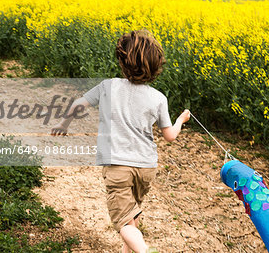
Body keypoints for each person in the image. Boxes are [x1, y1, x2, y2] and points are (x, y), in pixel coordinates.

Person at [51, 29, 190, 253]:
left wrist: (63, 125)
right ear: (156, 67)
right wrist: (181, 120)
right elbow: (170, 136)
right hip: (146, 168)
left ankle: (145, 251)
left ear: (123, 62)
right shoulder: (158, 98)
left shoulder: (108, 87)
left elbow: (79, 104)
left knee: (124, 222)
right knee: (131, 218)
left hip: (118, 167)